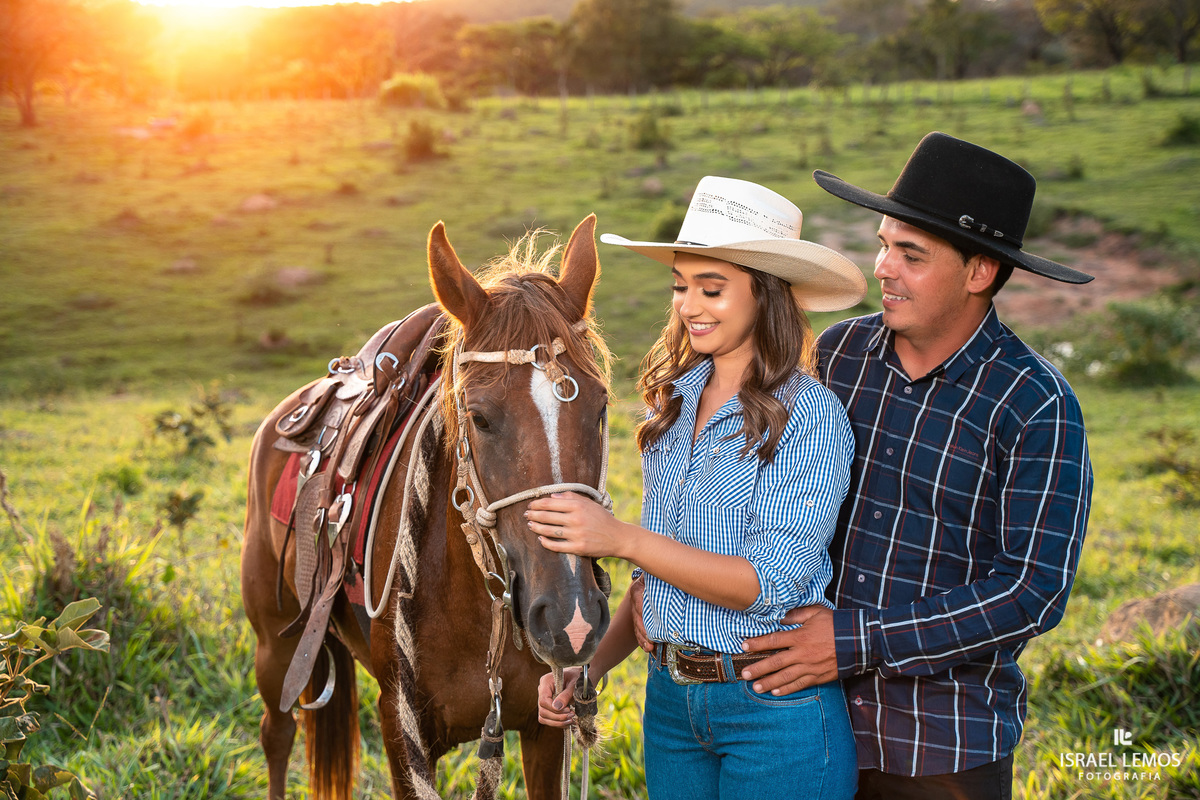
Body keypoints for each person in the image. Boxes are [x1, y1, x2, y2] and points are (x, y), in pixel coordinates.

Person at [734, 132, 1096, 800]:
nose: (881, 268)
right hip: (806, 720)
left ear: (979, 271)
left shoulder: (1035, 404)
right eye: (881, 244)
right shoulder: (839, 356)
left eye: (910, 254)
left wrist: (856, 640)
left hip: (944, 746)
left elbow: (1033, 588)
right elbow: (764, 490)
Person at [528, 176, 867, 800]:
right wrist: (590, 667)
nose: (689, 306)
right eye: (681, 287)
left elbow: (769, 583)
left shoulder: (810, 415)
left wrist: (620, 538)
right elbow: (659, 579)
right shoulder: (674, 405)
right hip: (671, 707)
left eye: (712, 289)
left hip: (771, 709)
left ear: (764, 298)